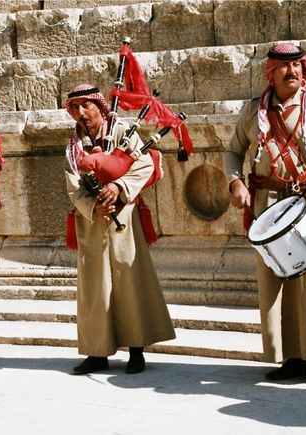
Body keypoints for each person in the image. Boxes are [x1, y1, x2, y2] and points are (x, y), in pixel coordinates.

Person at [224, 43, 306, 387]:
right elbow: (234, 152)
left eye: (297, 66)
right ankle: (291, 358)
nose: (291, 72)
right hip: (268, 208)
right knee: (278, 282)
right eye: (283, 67)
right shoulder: (254, 111)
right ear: (271, 72)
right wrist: (235, 183)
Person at [63, 84, 176, 375]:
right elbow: (74, 187)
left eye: (85, 106)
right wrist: (93, 206)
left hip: (124, 218)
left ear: (99, 107)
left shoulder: (122, 134)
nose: (81, 113)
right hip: (92, 223)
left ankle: (136, 350)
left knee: (130, 281)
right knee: (95, 288)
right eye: (74, 108)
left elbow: (145, 165)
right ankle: (97, 353)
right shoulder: (73, 147)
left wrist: (118, 187)